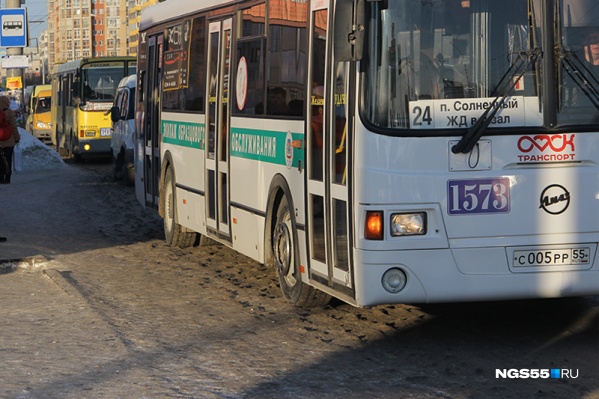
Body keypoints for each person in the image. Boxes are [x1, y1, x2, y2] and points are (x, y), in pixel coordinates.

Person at [0, 95, 20, 184]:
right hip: (9, 140)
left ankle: (0, 177)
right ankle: (7, 178)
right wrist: (17, 138)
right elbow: (14, 126)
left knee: (0, 160)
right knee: (8, 159)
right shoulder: (10, 112)